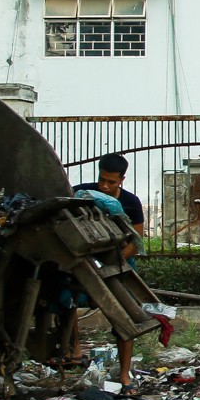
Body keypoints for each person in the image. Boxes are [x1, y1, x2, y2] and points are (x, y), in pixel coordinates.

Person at [70, 153, 146, 388]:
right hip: (84, 263)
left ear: (122, 179)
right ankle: (74, 348)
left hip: (119, 265)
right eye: (102, 179)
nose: (104, 186)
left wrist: (110, 264)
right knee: (66, 300)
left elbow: (137, 239)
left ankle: (124, 374)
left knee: (124, 318)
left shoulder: (131, 202)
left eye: (111, 182)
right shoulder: (83, 194)